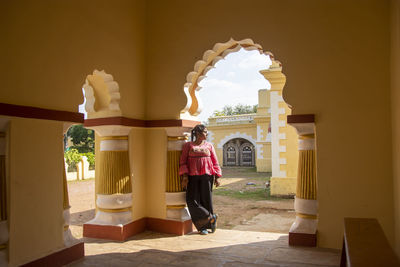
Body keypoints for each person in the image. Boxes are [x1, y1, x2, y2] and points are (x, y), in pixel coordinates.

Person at [179, 124, 222, 235]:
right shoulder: (188, 145)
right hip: (192, 176)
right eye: (204, 132)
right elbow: (183, 161)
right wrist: (184, 176)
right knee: (191, 200)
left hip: (207, 176)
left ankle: (207, 226)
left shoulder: (209, 146)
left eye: (207, 132)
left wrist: (217, 177)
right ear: (198, 133)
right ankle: (210, 217)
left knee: (206, 200)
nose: (206, 134)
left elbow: (215, 161)